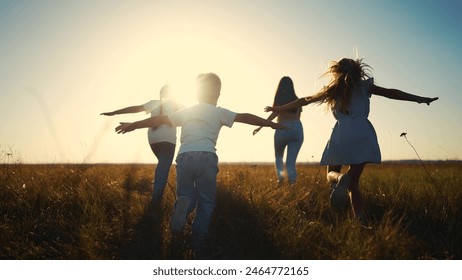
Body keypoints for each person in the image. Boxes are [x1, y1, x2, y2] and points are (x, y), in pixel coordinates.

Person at [115, 73, 285, 256]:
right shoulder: (220, 112)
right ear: (218, 94)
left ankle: (184, 207)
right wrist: (269, 124)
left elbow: (159, 119)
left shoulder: (187, 111)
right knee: (206, 202)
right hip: (207, 158)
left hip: (184, 158)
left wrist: (134, 124)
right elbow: (244, 117)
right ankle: (197, 241)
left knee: (186, 194)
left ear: (196, 94)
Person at [265, 58, 438, 225]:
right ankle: (361, 219)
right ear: (358, 70)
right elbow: (391, 93)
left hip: (342, 133)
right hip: (363, 132)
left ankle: (340, 178)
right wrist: (419, 98)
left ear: (336, 72)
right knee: (353, 182)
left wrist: (278, 108)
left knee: (330, 175)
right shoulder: (365, 86)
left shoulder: (332, 89)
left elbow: (305, 100)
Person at [101, 84, 182, 207]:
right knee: (163, 168)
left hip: (153, 140)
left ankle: (156, 193)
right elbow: (192, 114)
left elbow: (134, 109)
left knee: (162, 165)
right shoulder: (177, 105)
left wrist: (115, 112)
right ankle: (155, 202)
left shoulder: (153, 103)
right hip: (168, 140)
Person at [253, 76, 304, 186]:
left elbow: (272, 115)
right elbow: (298, 116)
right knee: (291, 162)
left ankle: (280, 180)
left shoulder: (279, 101)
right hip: (296, 128)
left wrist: (260, 127)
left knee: (279, 157)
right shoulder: (297, 101)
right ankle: (292, 184)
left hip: (282, 128)